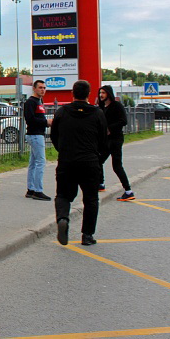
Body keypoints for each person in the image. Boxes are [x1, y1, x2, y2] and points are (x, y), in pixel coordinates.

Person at [51, 80, 108, 246]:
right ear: (89, 94)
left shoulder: (62, 112)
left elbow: (54, 135)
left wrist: (62, 150)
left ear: (72, 93)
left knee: (63, 195)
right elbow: (104, 140)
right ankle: (87, 235)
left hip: (67, 161)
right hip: (89, 162)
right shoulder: (97, 114)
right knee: (90, 199)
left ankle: (63, 218)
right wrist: (97, 157)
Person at [97, 86, 135, 201]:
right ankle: (101, 184)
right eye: (100, 93)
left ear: (108, 93)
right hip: (105, 140)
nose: (101, 95)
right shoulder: (102, 107)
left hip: (115, 139)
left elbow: (123, 121)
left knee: (117, 166)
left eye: (103, 93)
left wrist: (110, 129)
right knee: (98, 160)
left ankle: (128, 191)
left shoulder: (116, 106)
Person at [23, 80, 52, 201]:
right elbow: (30, 119)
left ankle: (31, 189)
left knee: (34, 162)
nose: (43, 90)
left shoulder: (39, 101)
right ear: (34, 89)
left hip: (38, 134)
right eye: (40, 87)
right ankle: (38, 190)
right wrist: (46, 122)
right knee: (40, 161)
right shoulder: (30, 102)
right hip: (35, 134)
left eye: (44, 88)